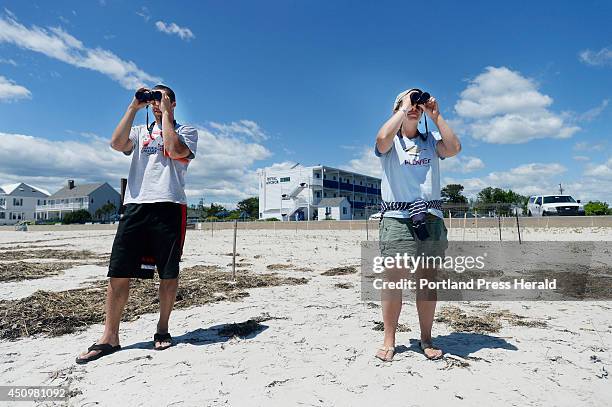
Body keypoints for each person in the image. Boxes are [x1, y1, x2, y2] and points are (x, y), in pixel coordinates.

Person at [76, 84, 198, 364]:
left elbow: (173, 148)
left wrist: (165, 114)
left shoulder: (186, 131)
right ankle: (110, 337)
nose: (155, 103)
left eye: (161, 98)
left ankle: (162, 328)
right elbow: (117, 144)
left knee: (168, 273)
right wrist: (134, 106)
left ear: (173, 103)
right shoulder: (140, 132)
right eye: (152, 99)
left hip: (169, 205)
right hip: (135, 205)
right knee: (118, 270)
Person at [373, 88, 461, 362]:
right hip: (398, 218)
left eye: (417, 103)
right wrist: (403, 108)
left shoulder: (431, 142)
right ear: (397, 108)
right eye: (408, 102)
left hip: (430, 217)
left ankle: (426, 338)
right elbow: (381, 139)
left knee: (427, 281)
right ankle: (389, 339)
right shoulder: (391, 143)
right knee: (393, 281)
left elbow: (455, 148)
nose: (414, 106)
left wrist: (435, 115)